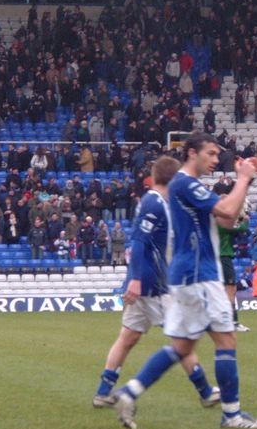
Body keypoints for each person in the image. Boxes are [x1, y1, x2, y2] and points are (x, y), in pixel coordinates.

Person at [115, 132, 257, 429]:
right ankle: (232, 415)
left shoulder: (189, 186)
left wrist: (243, 183)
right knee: (226, 339)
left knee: (182, 348)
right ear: (191, 154)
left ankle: (129, 392)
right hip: (200, 273)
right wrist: (242, 180)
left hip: (189, 273)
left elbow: (226, 220)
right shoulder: (184, 183)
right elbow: (225, 211)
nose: (215, 159)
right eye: (210, 153)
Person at [93, 156, 219, 409]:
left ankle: (103, 391)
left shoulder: (158, 202)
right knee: (182, 337)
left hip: (147, 280)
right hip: (155, 285)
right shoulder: (154, 203)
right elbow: (139, 241)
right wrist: (137, 280)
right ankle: (205, 391)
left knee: (127, 337)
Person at [218, 215, 251, 333]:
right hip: (223, 257)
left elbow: (245, 233)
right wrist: (245, 220)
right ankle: (233, 322)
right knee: (231, 289)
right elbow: (241, 229)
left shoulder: (215, 222)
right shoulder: (221, 223)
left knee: (223, 290)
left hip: (218, 258)